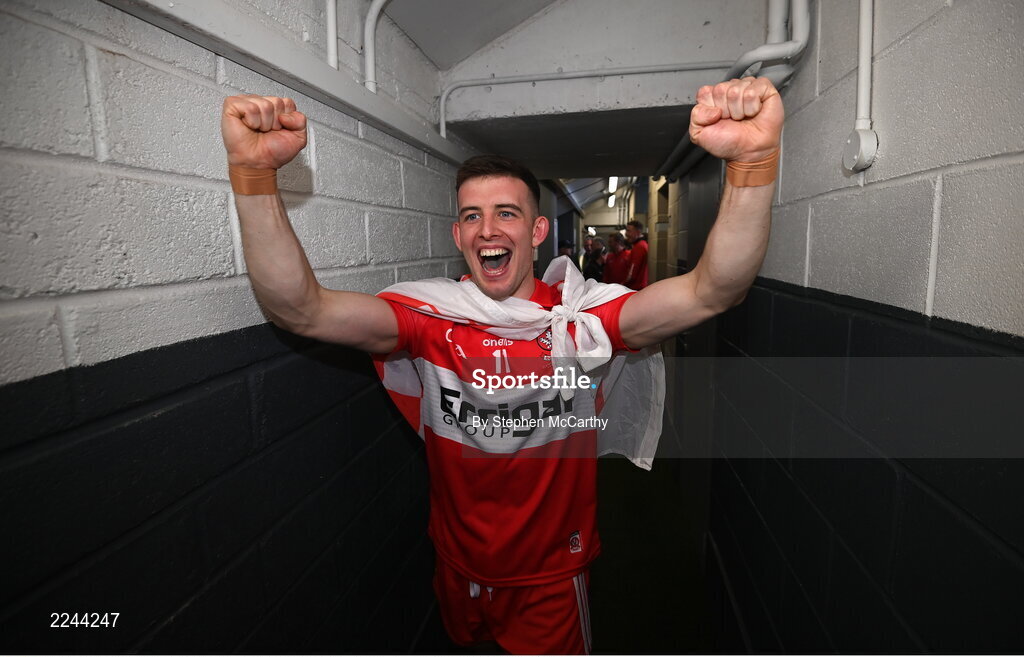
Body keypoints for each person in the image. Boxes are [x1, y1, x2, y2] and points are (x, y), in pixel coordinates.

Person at [219, 75, 783, 654]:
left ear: (537, 232)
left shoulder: (582, 322)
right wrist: (254, 175)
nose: (488, 229)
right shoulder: (431, 317)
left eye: (506, 213)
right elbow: (302, 310)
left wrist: (752, 166)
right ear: (458, 233)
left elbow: (713, 291)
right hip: (456, 564)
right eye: (472, 216)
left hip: (549, 578)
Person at [623, 220, 649, 290]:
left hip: (636, 288)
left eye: (629, 231)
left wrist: (622, 285)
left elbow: (632, 274)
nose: (626, 234)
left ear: (638, 232)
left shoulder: (639, 247)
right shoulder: (641, 245)